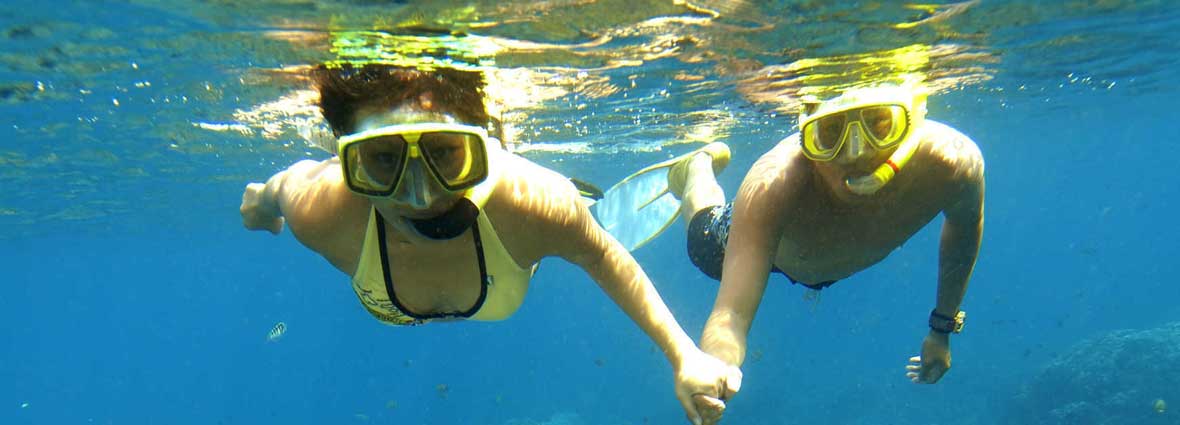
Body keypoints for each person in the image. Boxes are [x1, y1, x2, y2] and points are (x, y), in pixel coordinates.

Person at [238, 62, 739, 425]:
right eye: (384, 160)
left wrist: (684, 356)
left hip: (523, 228)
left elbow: (603, 254)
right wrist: (263, 200)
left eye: (445, 154)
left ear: (484, 148)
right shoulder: (321, 211)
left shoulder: (533, 203)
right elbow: (287, 185)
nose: (421, 195)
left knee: (580, 224)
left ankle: (626, 194)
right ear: (348, 161)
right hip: (513, 248)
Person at [604, 84, 983, 423]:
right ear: (806, 138)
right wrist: (715, 368)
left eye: (879, 125)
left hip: (817, 253)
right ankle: (696, 170)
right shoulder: (774, 185)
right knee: (704, 241)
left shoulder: (954, 165)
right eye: (830, 133)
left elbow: (963, 231)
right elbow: (731, 313)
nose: (856, 153)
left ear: (913, 122)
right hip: (772, 247)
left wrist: (943, 327)